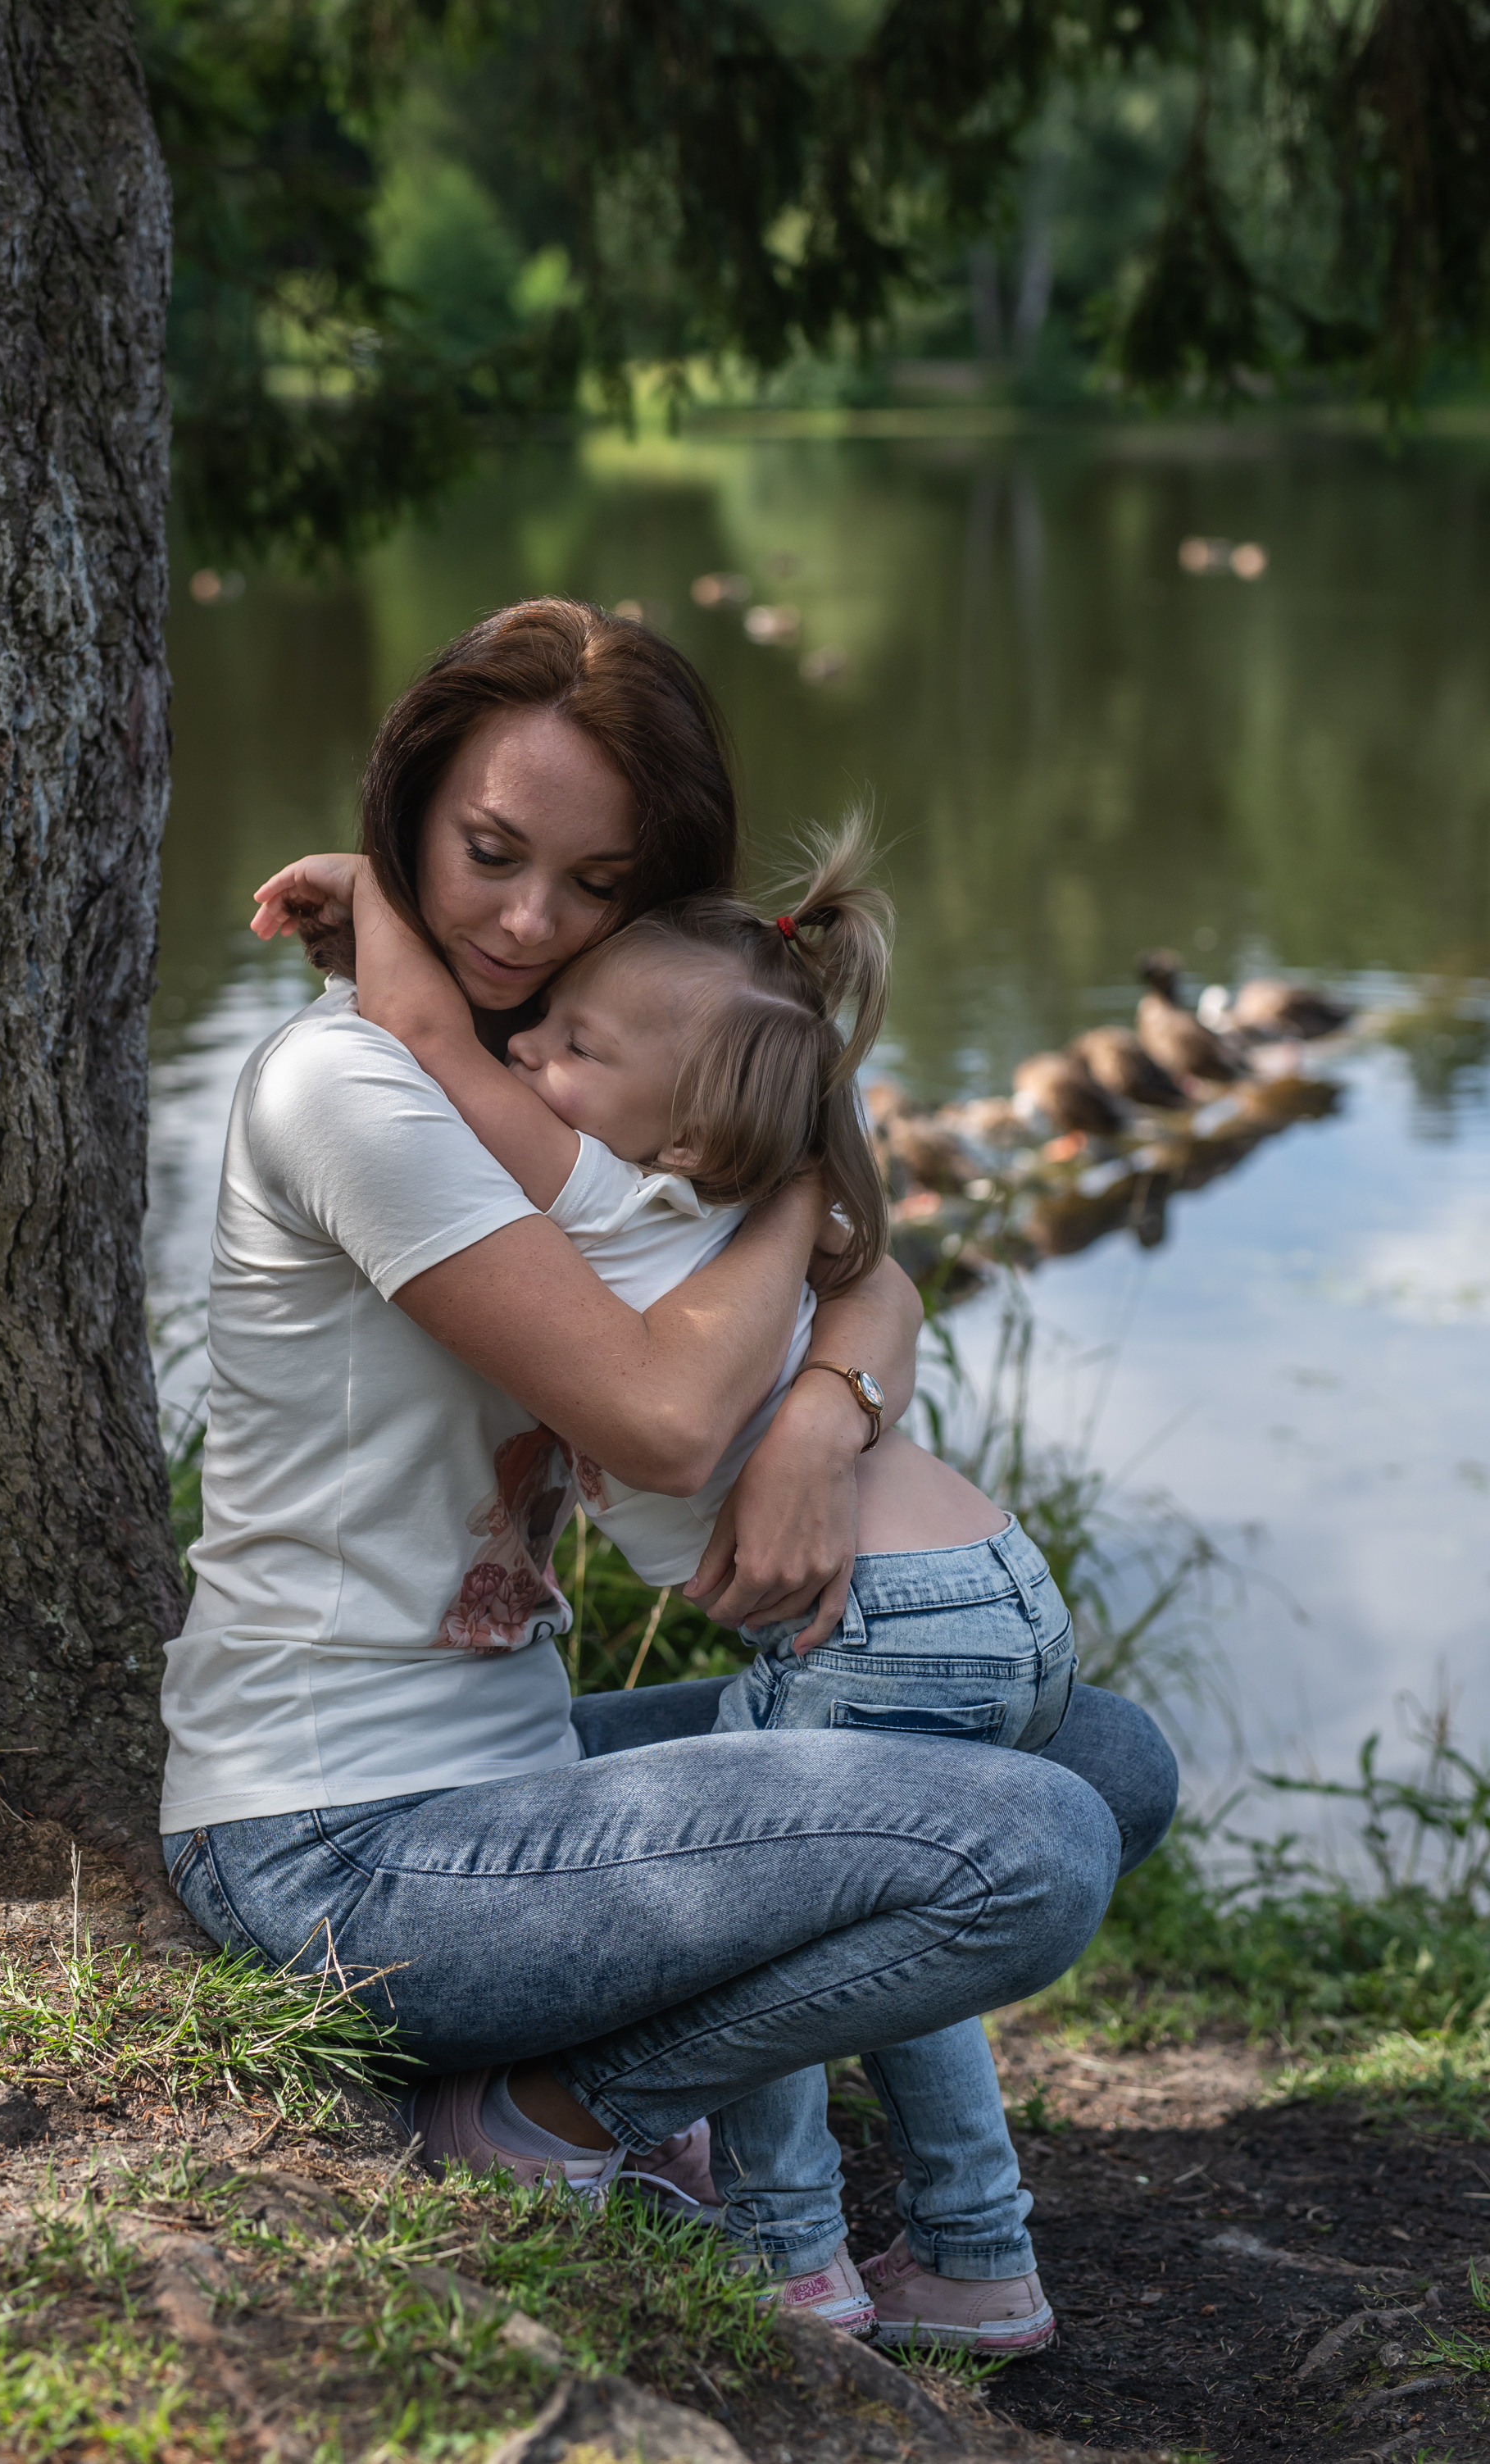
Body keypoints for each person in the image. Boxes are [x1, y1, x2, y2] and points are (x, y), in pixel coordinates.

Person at [162, 598, 1178, 2357]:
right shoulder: (361, 1088)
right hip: (332, 1843)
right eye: (482, 856)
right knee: (1027, 1850)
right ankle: (550, 2119)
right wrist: (797, 1184)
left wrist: (820, 1418)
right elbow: (655, 1418)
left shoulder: (578, 1088)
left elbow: (885, 1284)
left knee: (1101, 1760)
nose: (528, 921)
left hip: (516, 1778)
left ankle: (610, 2075)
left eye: (592, 884)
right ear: (410, 810)